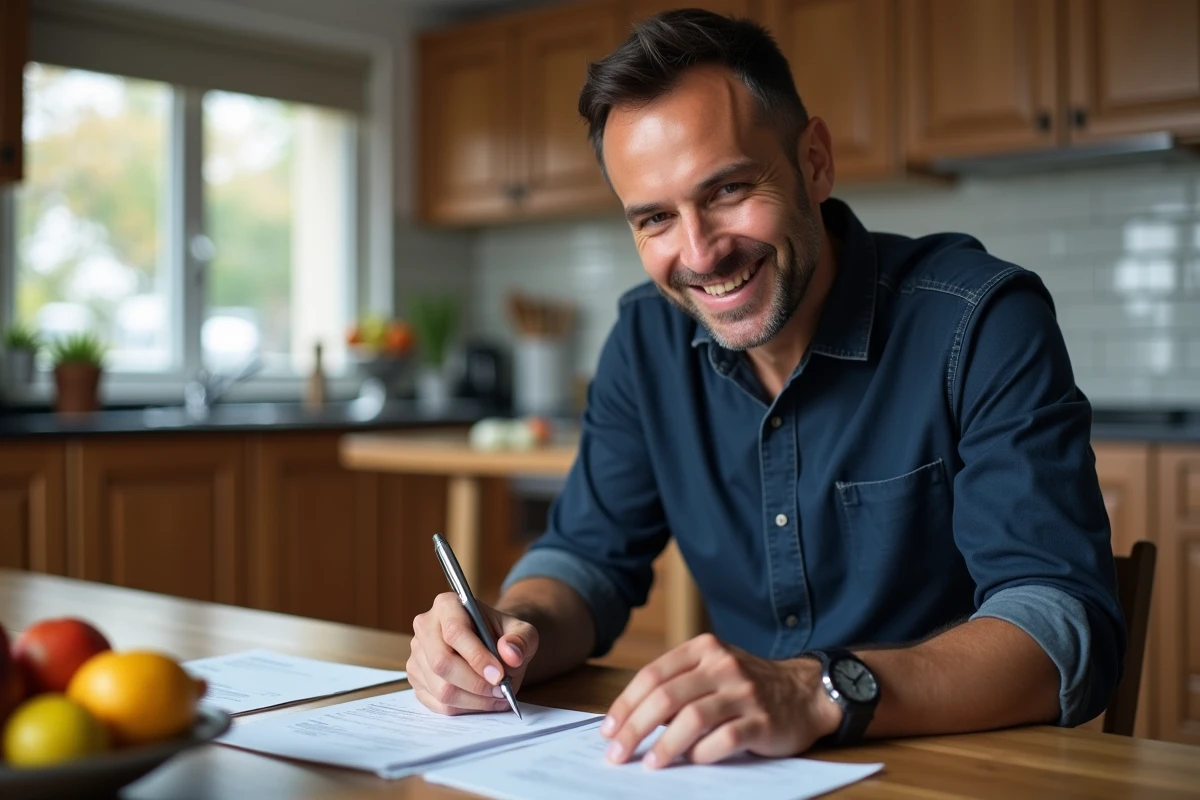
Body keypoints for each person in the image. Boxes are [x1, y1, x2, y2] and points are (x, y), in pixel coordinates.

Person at [406, 8, 1125, 770]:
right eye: (655, 218)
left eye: (727, 189)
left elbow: (1061, 627)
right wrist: (509, 634)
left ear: (814, 162)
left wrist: (813, 689)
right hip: (749, 769)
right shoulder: (645, 342)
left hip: (961, 768)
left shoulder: (979, 322)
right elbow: (585, 559)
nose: (700, 254)